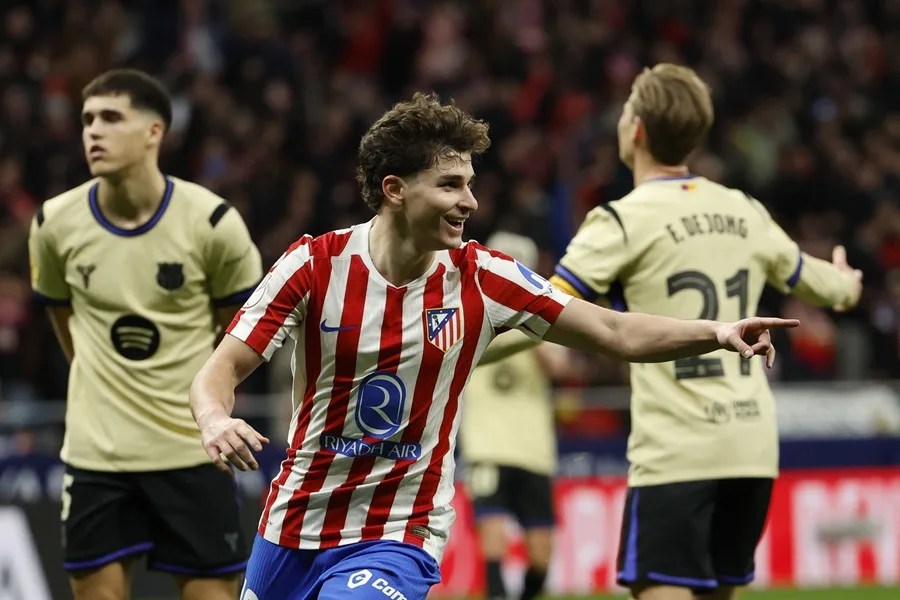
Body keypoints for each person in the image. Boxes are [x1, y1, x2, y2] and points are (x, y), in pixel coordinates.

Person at [188, 91, 798, 600]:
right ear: (395, 189)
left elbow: (611, 331)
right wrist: (215, 419)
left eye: (471, 184)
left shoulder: (484, 277)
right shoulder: (313, 265)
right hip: (294, 520)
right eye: (451, 185)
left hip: (399, 528)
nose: (470, 202)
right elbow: (220, 371)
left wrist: (716, 332)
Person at [547, 64, 863, 600]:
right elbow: (826, 288)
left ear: (637, 129)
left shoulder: (620, 221)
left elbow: (543, 308)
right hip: (751, 448)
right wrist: (848, 283)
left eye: (626, 109)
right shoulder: (743, 209)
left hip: (678, 451)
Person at [28, 69, 263, 600]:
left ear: (154, 131)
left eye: (111, 118)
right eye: (87, 119)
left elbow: (246, 332)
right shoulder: (54, 224)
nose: (93, 131)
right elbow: (65, 326)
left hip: (192, 451)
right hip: (97, 456)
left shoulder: (212, 223)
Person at [461, 231, 577, 600]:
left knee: (542, 558)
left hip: (534, 451)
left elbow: (561, 368)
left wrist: (527, 322)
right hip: (488, 446)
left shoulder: (538, 324)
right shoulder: (471, 319)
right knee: (492, 541)